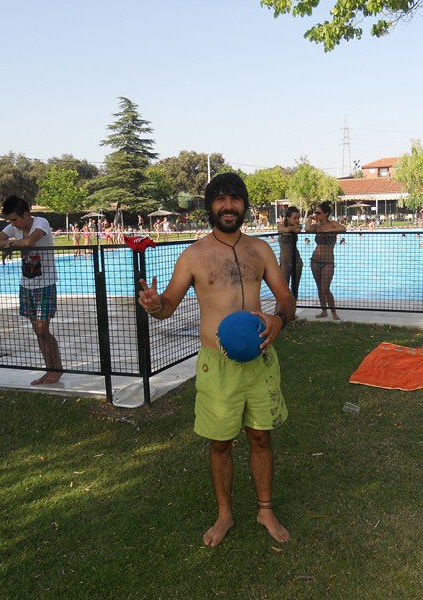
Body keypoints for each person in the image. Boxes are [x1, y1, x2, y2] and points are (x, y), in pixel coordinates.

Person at [137, 173, 295, 548]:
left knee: (261, 436)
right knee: (221, 442)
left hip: (259, 360)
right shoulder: (193, 256)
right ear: (210, 206)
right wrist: (155, 305)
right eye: (220, 199)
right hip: (216, 365)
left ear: (244, 205)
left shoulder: (261, 250)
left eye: (235, 199)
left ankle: (265, 510)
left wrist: (278, 320)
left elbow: (286, 298)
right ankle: (225, 514)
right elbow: (168, 306)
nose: (228, 206)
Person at [0, 196, 62, 385]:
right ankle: (50, 369)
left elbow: (29, 242)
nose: (13, 224)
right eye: (10, 220)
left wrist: (11, 244)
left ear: (26, 215)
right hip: (26, 286)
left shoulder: (41, 223)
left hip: (45, 285)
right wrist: (9, 243)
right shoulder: (13, 228)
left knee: (42, 329)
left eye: (15, 219)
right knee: (37, 330)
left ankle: (57, 368)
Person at [305, 201, 345, 320]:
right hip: (315, 260)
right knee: (319, 287)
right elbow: (307, 228)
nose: (316, 214)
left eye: (318, 213)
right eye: (315, 212)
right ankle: (324, 311)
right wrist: (309, 218)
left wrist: (326, 231)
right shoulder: (316, 226)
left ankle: (333, 312)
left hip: (328, 262)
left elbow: (343, 229)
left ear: (326, 214)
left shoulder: (333, 224)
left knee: (325, 289)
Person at [277, 207, 303, 303]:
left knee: (294, 289)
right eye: (294, 218)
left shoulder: (298, 227)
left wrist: (295, 227)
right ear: (288, 217)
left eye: (298, 218)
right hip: (285, 262)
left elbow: (296, 230)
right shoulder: (280, 226)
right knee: (282, 290)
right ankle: (279, 310)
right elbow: (286, 229)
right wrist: (294, 227)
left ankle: (292, 310)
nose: (297, 220)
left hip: (297, 261)